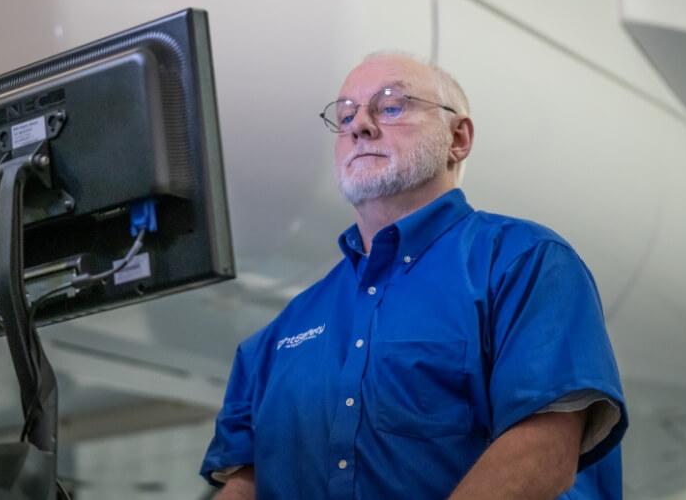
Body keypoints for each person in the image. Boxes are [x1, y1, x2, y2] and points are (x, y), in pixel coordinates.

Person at [200, 52, 627, 499]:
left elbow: (543, 452)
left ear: (457, 138)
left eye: (390, 106)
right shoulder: (274, 340)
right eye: (345, 115)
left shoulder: (524, 263)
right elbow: (244, 487)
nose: (359, 127)